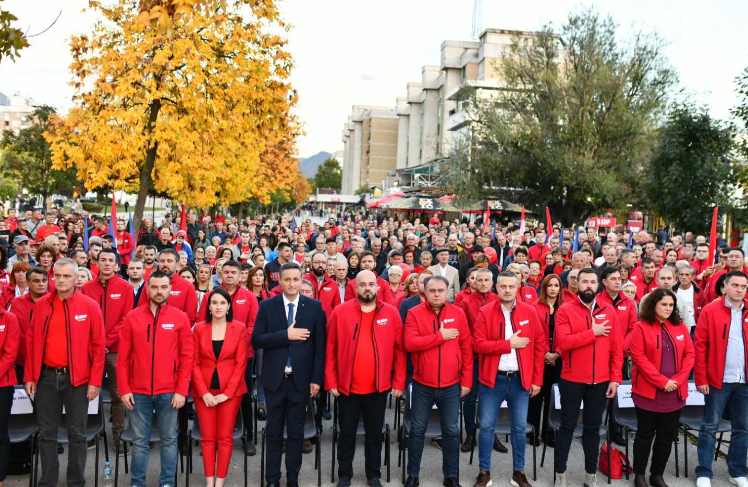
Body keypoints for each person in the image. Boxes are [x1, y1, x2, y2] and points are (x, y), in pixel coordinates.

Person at [24, 259, 106, 487]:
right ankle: (48, 481)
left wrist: (95, 381)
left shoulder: (89, 306)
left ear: (76, 278)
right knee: (47, 434)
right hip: (47, 378)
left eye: (66, 276)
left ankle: (76, 481)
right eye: (57, 276)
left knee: (77, 435)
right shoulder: (41, 304)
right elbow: (31, 341)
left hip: (78, 380)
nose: (60, 280)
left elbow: (99, 347)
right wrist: (30, 375)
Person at [325, 270, 406, 487]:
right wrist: (331, 380)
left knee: (374, 435)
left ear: (378, 287)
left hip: (378, 388)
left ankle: (373, 475)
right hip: (347, 388)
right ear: (355, 287)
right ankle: (344, 474)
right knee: (346, 435)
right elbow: (330, 348)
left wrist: (399, 382)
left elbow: (400, 350)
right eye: (363, 285)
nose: (367, 288)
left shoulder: (390, 313)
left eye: (371, 284)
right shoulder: (340, 312)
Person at [251, 262, 326, 487]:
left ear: (302, 280)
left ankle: (292, 478)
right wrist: (286, 335)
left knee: (296, 433)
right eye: (287, 279)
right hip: (274, 381)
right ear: (279, 281)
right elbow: (257, 339)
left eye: (296, 279)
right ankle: (272, 479)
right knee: (273, 432)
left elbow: (320, 347)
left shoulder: (314, 307)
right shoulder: (267, 306)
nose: (292, 284)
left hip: (301, 382)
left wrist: (316, 379)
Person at [117, 270, 194, 487]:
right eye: (154, 287)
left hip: (169, 392)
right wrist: (124, 389)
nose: (159, 291)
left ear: (170, 289)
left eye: (163, 287)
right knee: (140, 441)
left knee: (169, 440)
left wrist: (181, 390)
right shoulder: (133, 317)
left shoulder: (179, 318)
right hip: (138, 391)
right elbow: (122, 358)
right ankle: (137, 483)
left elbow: (187, 357)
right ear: (147, 288)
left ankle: (167, 482)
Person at [472, 271, 544, 487]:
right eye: (502, 286)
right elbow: (478, 345)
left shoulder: (530, 312)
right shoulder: (485, 312)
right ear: (496, 287)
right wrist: (507, 344)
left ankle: (518, 472)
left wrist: (537, 379)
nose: (507, 290)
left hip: (520, 380)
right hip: (492, 379)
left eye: (511, 287)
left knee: (520, 427)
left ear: (518, 287)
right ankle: (484, 471)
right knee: (486, 427)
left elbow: (540, 346)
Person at [553, 268, 623, 487]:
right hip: (572, 380)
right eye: (585, 282)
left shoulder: (609, 310)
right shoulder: (564, 310)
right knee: (567, 427)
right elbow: (563, 344)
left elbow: (617, 348)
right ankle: (560, 473)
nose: (589, 286)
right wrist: (592, 332)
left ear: (598, 285)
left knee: (593, 430)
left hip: (600, 381)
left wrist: (615, 379)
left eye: (593, 282)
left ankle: (590, 473)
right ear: (577, 284)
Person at [402, 275, 473, 487]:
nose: (436, 294)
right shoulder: (414, 313)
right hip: (423, 384)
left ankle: (450, 475)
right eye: (432, 290)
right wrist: (440, 336)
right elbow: (410, 343)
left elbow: (466, 349)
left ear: (447, 291)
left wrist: (467, 380)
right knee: (416, 431)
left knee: (451, 432)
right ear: (424, 291)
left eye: (440, 290)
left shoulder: (458, 313)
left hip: (451, 385)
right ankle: (413, 474)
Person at [628, 289, 694, 487]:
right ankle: (639, 475)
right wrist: (661, 381)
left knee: (666, 436)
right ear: (653, 305)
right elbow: (639, 358)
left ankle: (657, 474)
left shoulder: (680, 327)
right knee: (645, 434)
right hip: (648, 392)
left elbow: (689, 355)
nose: (667, 308)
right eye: (663, 304)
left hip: (674, 393)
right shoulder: (641, 327)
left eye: (671, 305)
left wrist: (677, 380)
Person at [694, 271, 748, 487]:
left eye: (743, 286)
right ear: (724, 287)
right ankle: (704, 472)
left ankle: (737, 471)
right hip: (718, 380)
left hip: (744, 381)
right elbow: (700, 347)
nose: (739, 289)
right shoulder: (710, 310)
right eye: (735, 285)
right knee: (709, 427)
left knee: (742, 428)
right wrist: (701, 378)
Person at [192, 288, 248, 487]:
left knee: (224, 438)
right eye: (214, 302)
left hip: (230, 393)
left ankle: (220, 482)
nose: (217, 306)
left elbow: (241, 363)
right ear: (208, 306)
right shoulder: (198, 328)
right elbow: (194, 362)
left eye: (222, 303)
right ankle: (209, 482)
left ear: (228, 306)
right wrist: (204, 392)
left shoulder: (239, 328)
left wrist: (227, 394)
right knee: (207, 438)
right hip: (204, 392)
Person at [81, 248, 134, 445]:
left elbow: (125, 320)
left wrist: (105, 343)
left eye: (111, 260)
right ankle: (88, 433)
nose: (106, 263)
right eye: (102, 260)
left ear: (117, 265)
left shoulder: (125, 288)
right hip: (90, 350)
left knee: (118, 395)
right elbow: (85, 320)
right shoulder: (86, 288)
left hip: (115, 350)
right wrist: (96, 344)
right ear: (97, 263)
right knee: (87, 393)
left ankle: (118, 435)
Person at [457, 268, 503, 454]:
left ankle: (492, 435)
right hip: (473, 357)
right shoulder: (466, 302)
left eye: (486, 280)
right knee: (470, 398)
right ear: (473, 282)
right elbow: (463, 330)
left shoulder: (500, 301)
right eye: (479, 280)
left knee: (493, 398)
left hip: (494, 357)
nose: (483, 283)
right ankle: (470, 434)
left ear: (493, 283)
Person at [529, 274, 564, 447]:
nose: (552, 288)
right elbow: (534, 334)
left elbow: (568, 335)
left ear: (560, 288)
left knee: (553, 397)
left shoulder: (566, 307)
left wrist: (556, 353)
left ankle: (549, 433)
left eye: (556, 285)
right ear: (544, 287)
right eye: (549, 285)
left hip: (559, 359)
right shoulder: (534, 307)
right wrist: (545, 354)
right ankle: (533, 432)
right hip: (539, 358)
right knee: (536, 397)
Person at [137, 248, 198, 324]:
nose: (165, 264)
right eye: (162, 261)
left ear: (177, 264)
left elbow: (190, 318)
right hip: (151, 331)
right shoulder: (148, 285)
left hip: (176, 333)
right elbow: (140, 311)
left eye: (169, 261)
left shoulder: (188, 286)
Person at [0, 305, 19, 487]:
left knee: (0, 434)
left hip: (2, 384)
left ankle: (0, 478)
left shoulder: (9, 318)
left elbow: (10, 352)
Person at [304, 252, 342, 319]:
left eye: (323, 262)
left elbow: (337, 308)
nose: (320, 265)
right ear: (311, 263)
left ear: (326, 265)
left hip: (326, 325)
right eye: (317, 262)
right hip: (306, 322)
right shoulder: (303, 281)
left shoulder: (333, 284)